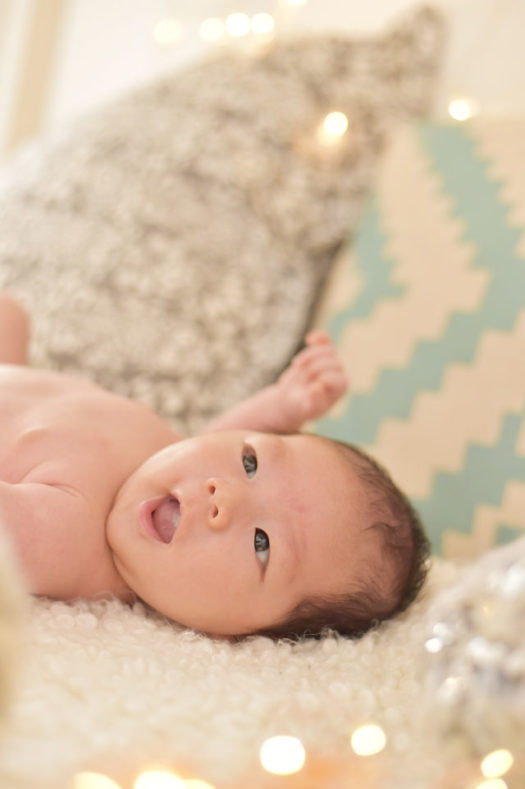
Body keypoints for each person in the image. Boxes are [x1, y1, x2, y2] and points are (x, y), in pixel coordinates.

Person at [0, 290, 429, 640]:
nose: (222, 494)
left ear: (245, 634)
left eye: (261, 543)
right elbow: (209, 440)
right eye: (251, 461)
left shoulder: (70, 535)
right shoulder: (167, 463)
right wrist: (280, 406)